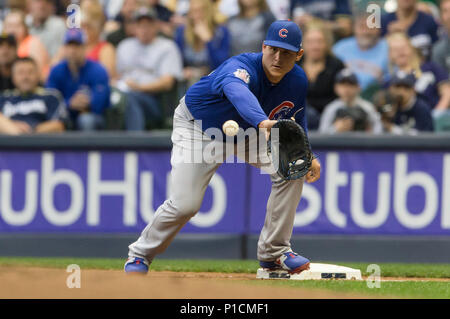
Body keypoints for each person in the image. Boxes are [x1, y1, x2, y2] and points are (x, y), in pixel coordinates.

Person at [124, 20, 321, 275]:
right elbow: (238, 91)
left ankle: (274, 253)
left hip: (250, 132)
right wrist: (262, 120)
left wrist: (308, 154)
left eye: (286, 52)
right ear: (263, 47)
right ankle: (139, 254)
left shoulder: (297, 80)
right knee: (186, 205)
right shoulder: (240, 67)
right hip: (200, 129)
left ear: (299, 55)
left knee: (292, 167)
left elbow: (297, 116)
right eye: (273, 49)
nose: (277, 57)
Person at [116, 7, 182, 130]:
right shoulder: (124, 46)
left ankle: (135, 143)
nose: (144, 30)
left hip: (155, 100)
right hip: (125, 93)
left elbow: (167, 82)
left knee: (131, 99)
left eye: (148, 25)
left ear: (156, 26)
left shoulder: (167, 47)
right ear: (134, 27)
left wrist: (138, 87)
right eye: (140, 25)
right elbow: (117, 76)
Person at [46, 28, 110, 131]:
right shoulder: (56, 70)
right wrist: (69, 103)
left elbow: (100, 103)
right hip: (64, 117)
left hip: (93, 118)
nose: (73, 50)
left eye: (77, 46)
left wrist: (87, 103)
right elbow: (49, 100)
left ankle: (90, 147)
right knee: (53, 123)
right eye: (69, 46)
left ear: (85, 48)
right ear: (64, 48)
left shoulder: (98, 70)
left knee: (86, 119)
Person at [0, 57, 67, 135]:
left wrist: (30, 131)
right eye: (20, 73)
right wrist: (13, 126)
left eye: (30, 72)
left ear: (38, 75)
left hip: (40, 142)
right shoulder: (4, 97)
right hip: (8, 143)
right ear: (13, 77)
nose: (25, 77)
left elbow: (59, 125)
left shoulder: (51, 96)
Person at [386, 32, 450, 112]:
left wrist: (437, 114)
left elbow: (447, 93)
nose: (400, 52)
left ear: (411, 48)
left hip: (437, 115)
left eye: (403, 47)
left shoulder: (431, 67)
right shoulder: (390, 82)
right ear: (389, 54)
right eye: (395, 49)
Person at [298, 21, 345, 129]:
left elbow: (341, 98)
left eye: (320, 41)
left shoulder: (337, 65)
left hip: (330, 119)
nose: (315, 47)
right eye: (310, 42)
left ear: (327, 43)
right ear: (302, 43)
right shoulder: (293, 65)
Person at [175, 0, 231, 88]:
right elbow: (176, 62)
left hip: (212, 80)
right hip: (187, 81)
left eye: (200, 11)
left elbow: (221, 65)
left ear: (208, 12)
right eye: (193, 11)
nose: (196, 16)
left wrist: (208, 40)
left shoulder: (221, 32)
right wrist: (182, 71)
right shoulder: (182, 31)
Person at [332, 14, 389, 97]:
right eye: (362, 27)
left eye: (371, 27)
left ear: (379, 29)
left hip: (377, 97)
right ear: (354, 29)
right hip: (342, 98)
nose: (366, 32)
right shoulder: (340, 48)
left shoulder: (388, 47)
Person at [319, 68, 382, 134]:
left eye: (350, 85)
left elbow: (379, 131)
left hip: (362, 143)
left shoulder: (367, 107)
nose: (346, 89)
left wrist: (368, 133)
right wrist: (335, 129)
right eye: (343, 85)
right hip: (337, 143)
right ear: (336, 88)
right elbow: (321, 134)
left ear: (358, 87)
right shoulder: (331, 108)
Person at [3, 10, 50, 81]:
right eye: (9, 26)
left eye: (17, 26)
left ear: (25, 28)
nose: (13, 30)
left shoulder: (33, 43)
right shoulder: (4, 46)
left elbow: (37, 73)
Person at [432, 0, 450, 74]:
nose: (449, 16)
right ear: (440, 18)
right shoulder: (438, 50)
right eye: (445, 11)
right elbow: (442, 82)